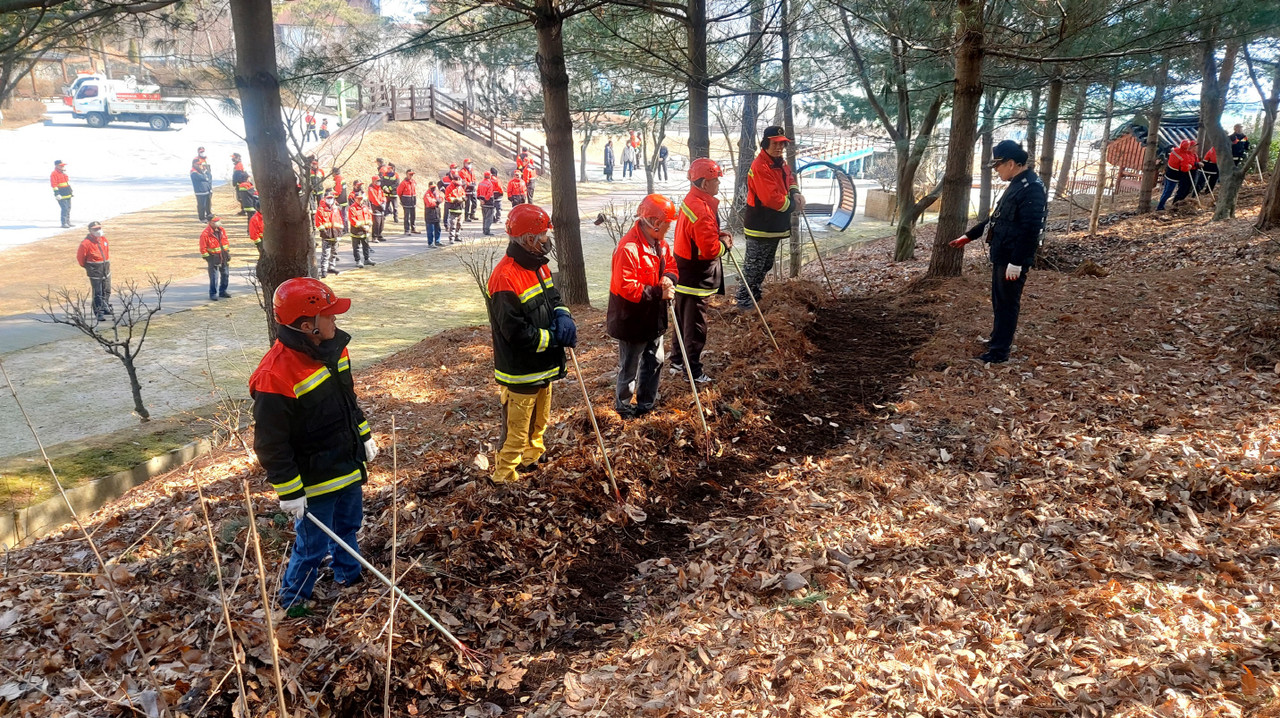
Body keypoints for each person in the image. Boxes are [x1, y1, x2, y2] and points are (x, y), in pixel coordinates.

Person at [249, 277, 376, 611]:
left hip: (346, 464)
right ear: (308, 326)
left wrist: (363, 435)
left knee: (348, 526)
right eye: (329, 316)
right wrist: (290, 491)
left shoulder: (336, 350)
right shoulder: (274, 376)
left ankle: (349, 576)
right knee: (312, 546)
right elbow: (270, 443)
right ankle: (294, 602)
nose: (336, 320)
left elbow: (348, 401)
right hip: (314, 480)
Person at [486, 203, 576, 484]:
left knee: (540, 419)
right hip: (522, 368)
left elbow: (554, 298)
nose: (548, 240)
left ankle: (531, 457)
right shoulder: (505, 277)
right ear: (528, 240)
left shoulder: (539, 267)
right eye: (544, 236)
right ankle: (503, 476)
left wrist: (563, 316)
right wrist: (552, 339)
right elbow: (515, 332)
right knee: (517, 427)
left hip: (543, 364)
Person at [948, 140, 1047, 364]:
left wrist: (1017, 262)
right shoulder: (1017, 183)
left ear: (1011, 163)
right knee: (999, 302)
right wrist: (969, 236)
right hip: (1003, 254)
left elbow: (1031, 229)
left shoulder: (1031, 187)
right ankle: (997, 340)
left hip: (1012, 258)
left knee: (1007, 304)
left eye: (998, 166)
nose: (996, 170)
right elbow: (996, 218)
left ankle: (999, 353)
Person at [608, 195, 678, 418]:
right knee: (629, 366)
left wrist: (668, 277)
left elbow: (673, 265)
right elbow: (627, 287)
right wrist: (659, 292)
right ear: (655, 222)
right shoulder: (628, 249)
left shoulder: (661, 244)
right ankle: (624, 407)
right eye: (667, 222)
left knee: (655, 360)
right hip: (632, 319)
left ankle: (646, 404)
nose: (669, 226)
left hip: (654, 317)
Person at [671, 158, 732, 383]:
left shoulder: (692, 201)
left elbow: (698, 236)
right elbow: (709, 250)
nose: (718, 184)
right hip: (697, 276)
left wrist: (716, 233)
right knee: (695, 325)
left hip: (684, 269)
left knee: (681, 318)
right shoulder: (702, 209)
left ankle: (678, 361)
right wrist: (724, 244)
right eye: (716, 180)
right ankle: (693, 371)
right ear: (705, 183)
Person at [738, 126, 803, 309]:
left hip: (774, 226)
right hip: (760, 225)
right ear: (766, 143)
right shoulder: (760, 166)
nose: (779, 147)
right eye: (775, 143)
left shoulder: (780, 163)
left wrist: (795, 192)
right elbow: (770, 198)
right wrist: (792, 206)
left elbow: (789, 179)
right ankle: (744, 300)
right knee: (753, 266)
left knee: (765, 264)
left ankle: (755, 294)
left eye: (781, 144)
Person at [77, 220, 112, 321]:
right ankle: (98, 312)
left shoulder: (104, 240)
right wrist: (89, 267)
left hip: (105, 268)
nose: (98, 231)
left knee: (107, 289)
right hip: (95, 271)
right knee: (98, 292)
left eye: (99, 228)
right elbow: (81, 259)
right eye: (95, 229)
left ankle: (105, 306)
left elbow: (106, 253)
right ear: (90, 230)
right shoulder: (85, 243)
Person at [1157, 139, 1199, 210]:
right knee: (1168, 192)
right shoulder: (1184, 156)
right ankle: (1160, 207)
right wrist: (1190, 166)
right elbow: (1184, 169)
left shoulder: (1175, 150)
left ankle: (1161, 205)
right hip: (1174, 176)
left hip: (1168, 173)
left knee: (1165, 191)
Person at [200, 216, 232, 300]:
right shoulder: (205, 234)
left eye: (218, 220)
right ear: (210, 222)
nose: (218, 222)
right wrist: (208, 257)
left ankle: (223, 291)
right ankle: (213, 293)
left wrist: (227, 252)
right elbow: (203, 247)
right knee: (214, 277)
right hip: (213, 257)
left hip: (223, 256)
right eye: (215, 221)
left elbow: (225, 241)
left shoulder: (221, 230)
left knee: (225, 274)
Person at [315, 191, 343, 277]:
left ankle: (332, 267)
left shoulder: (335, 208)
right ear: (325, 198)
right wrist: (325, 232)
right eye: (328, 198)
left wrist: (340, 232)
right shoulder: (321, 209)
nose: (330, 200)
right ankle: (323, 270)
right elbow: (318, 222)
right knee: (325, 254)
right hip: (327, 235)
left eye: (331, 198)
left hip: (336, 234)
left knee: (334, 253)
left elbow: (339, 220)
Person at [348, 189, 375, 269]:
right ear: (355, 199)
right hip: (356, 231)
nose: (360, 200)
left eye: (361, 199)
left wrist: (369, 225)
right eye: (358, 199)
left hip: (365, 231)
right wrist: (363, 226)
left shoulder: (365, 207)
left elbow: (369, 217)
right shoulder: (352, 208)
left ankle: (367, 259)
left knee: (366, 245)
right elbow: (353, 220)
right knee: (356, 247)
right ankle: (358, 260)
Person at [50, 160, 73, 228]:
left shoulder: (63, 173)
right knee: (64, 208)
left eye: (63, 165)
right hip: (61, 194)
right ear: (57, 166)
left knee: (68, 208)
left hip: (67, 193)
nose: (63, 166)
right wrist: (57, 194)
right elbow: (54, 185)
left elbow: (66, 183)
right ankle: (64, 223)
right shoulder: (54, 174)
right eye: (61, 165)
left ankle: (67, 222)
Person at [397, 169, 419, 235]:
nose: (411, 176)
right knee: (407, 216)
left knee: (413, 215)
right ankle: (406, 230)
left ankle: (413, 228)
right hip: (406, 201)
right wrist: (402, 200)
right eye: (410, 174)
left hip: (413, 200)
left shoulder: (413, 182)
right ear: (407, 174)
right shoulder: (403, 183)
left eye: (412, 175)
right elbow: (399, 192)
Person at [445, 178, 466, 244]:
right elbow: (448, 197)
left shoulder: (460, 188)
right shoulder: (449, 188)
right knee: (453, 225)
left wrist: (463, 198)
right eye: (457, 184)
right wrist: (455, 200)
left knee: (459, 224)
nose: (458, 186)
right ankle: (451, 238)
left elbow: (463, 194)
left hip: (460, 208)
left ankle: (457, 236)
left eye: (459, 184)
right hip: (453, 208)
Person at [367, 175, 386, 243]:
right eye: (377, 181)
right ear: (374, 181)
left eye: (379, 181)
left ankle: (379, 235)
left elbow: (383, 196)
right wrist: (380, 204)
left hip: (381, 206)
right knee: (377, 223)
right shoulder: (371, 188)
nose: (378, 182)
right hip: (375, 206)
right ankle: (374, 237)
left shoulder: (379, 188)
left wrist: (384, 202)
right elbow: (373, 198)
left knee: (381, 222)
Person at [423, 182, 443, 247]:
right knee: (430, 230)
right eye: (432, 187)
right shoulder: (427, 194)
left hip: (437, 213)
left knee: (438, 229)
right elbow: (430, 203)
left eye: (434, 187)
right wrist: (437, 202)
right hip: (430, 213)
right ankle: (430, 243)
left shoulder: (436, 193)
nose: (433, 188)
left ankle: (437, 241)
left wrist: (437, 201)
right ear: (429, 187)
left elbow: (441, 198)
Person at [332, 167, 349, 232]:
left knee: (342, 216)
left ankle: (344, 229)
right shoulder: (342, 179)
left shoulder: (338, 179)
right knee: (344, 215)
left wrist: (333, 195)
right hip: (344, 200)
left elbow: (338, 191)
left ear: (334, 173)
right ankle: (346, 228)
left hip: (340, 201)